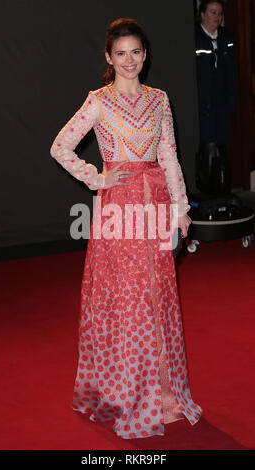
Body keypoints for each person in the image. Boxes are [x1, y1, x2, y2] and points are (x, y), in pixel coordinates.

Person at [50, 18, 202, 439]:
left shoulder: (160, 100)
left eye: (136, 51)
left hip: (156, 207)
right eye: (121, 53)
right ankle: (127, 394)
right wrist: (97, 178)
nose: (130, 60)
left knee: (157, 297)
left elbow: (170, 157)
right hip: (119, 210)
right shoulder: (98, 100)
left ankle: (163, 393)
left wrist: (181, 208)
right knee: (127, 301)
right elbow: (60, 146)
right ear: (108, 58)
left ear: (145, 54)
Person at [195, 0, 237, 152]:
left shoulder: (227, 37)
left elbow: (233, 72)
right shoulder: (194, 37)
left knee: (225, 149)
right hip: (204, 108)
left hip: (224, 106)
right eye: (213, 12)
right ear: (202, 14)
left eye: (220, 13)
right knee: (208, 150)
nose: (217, 17)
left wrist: (232, 100)